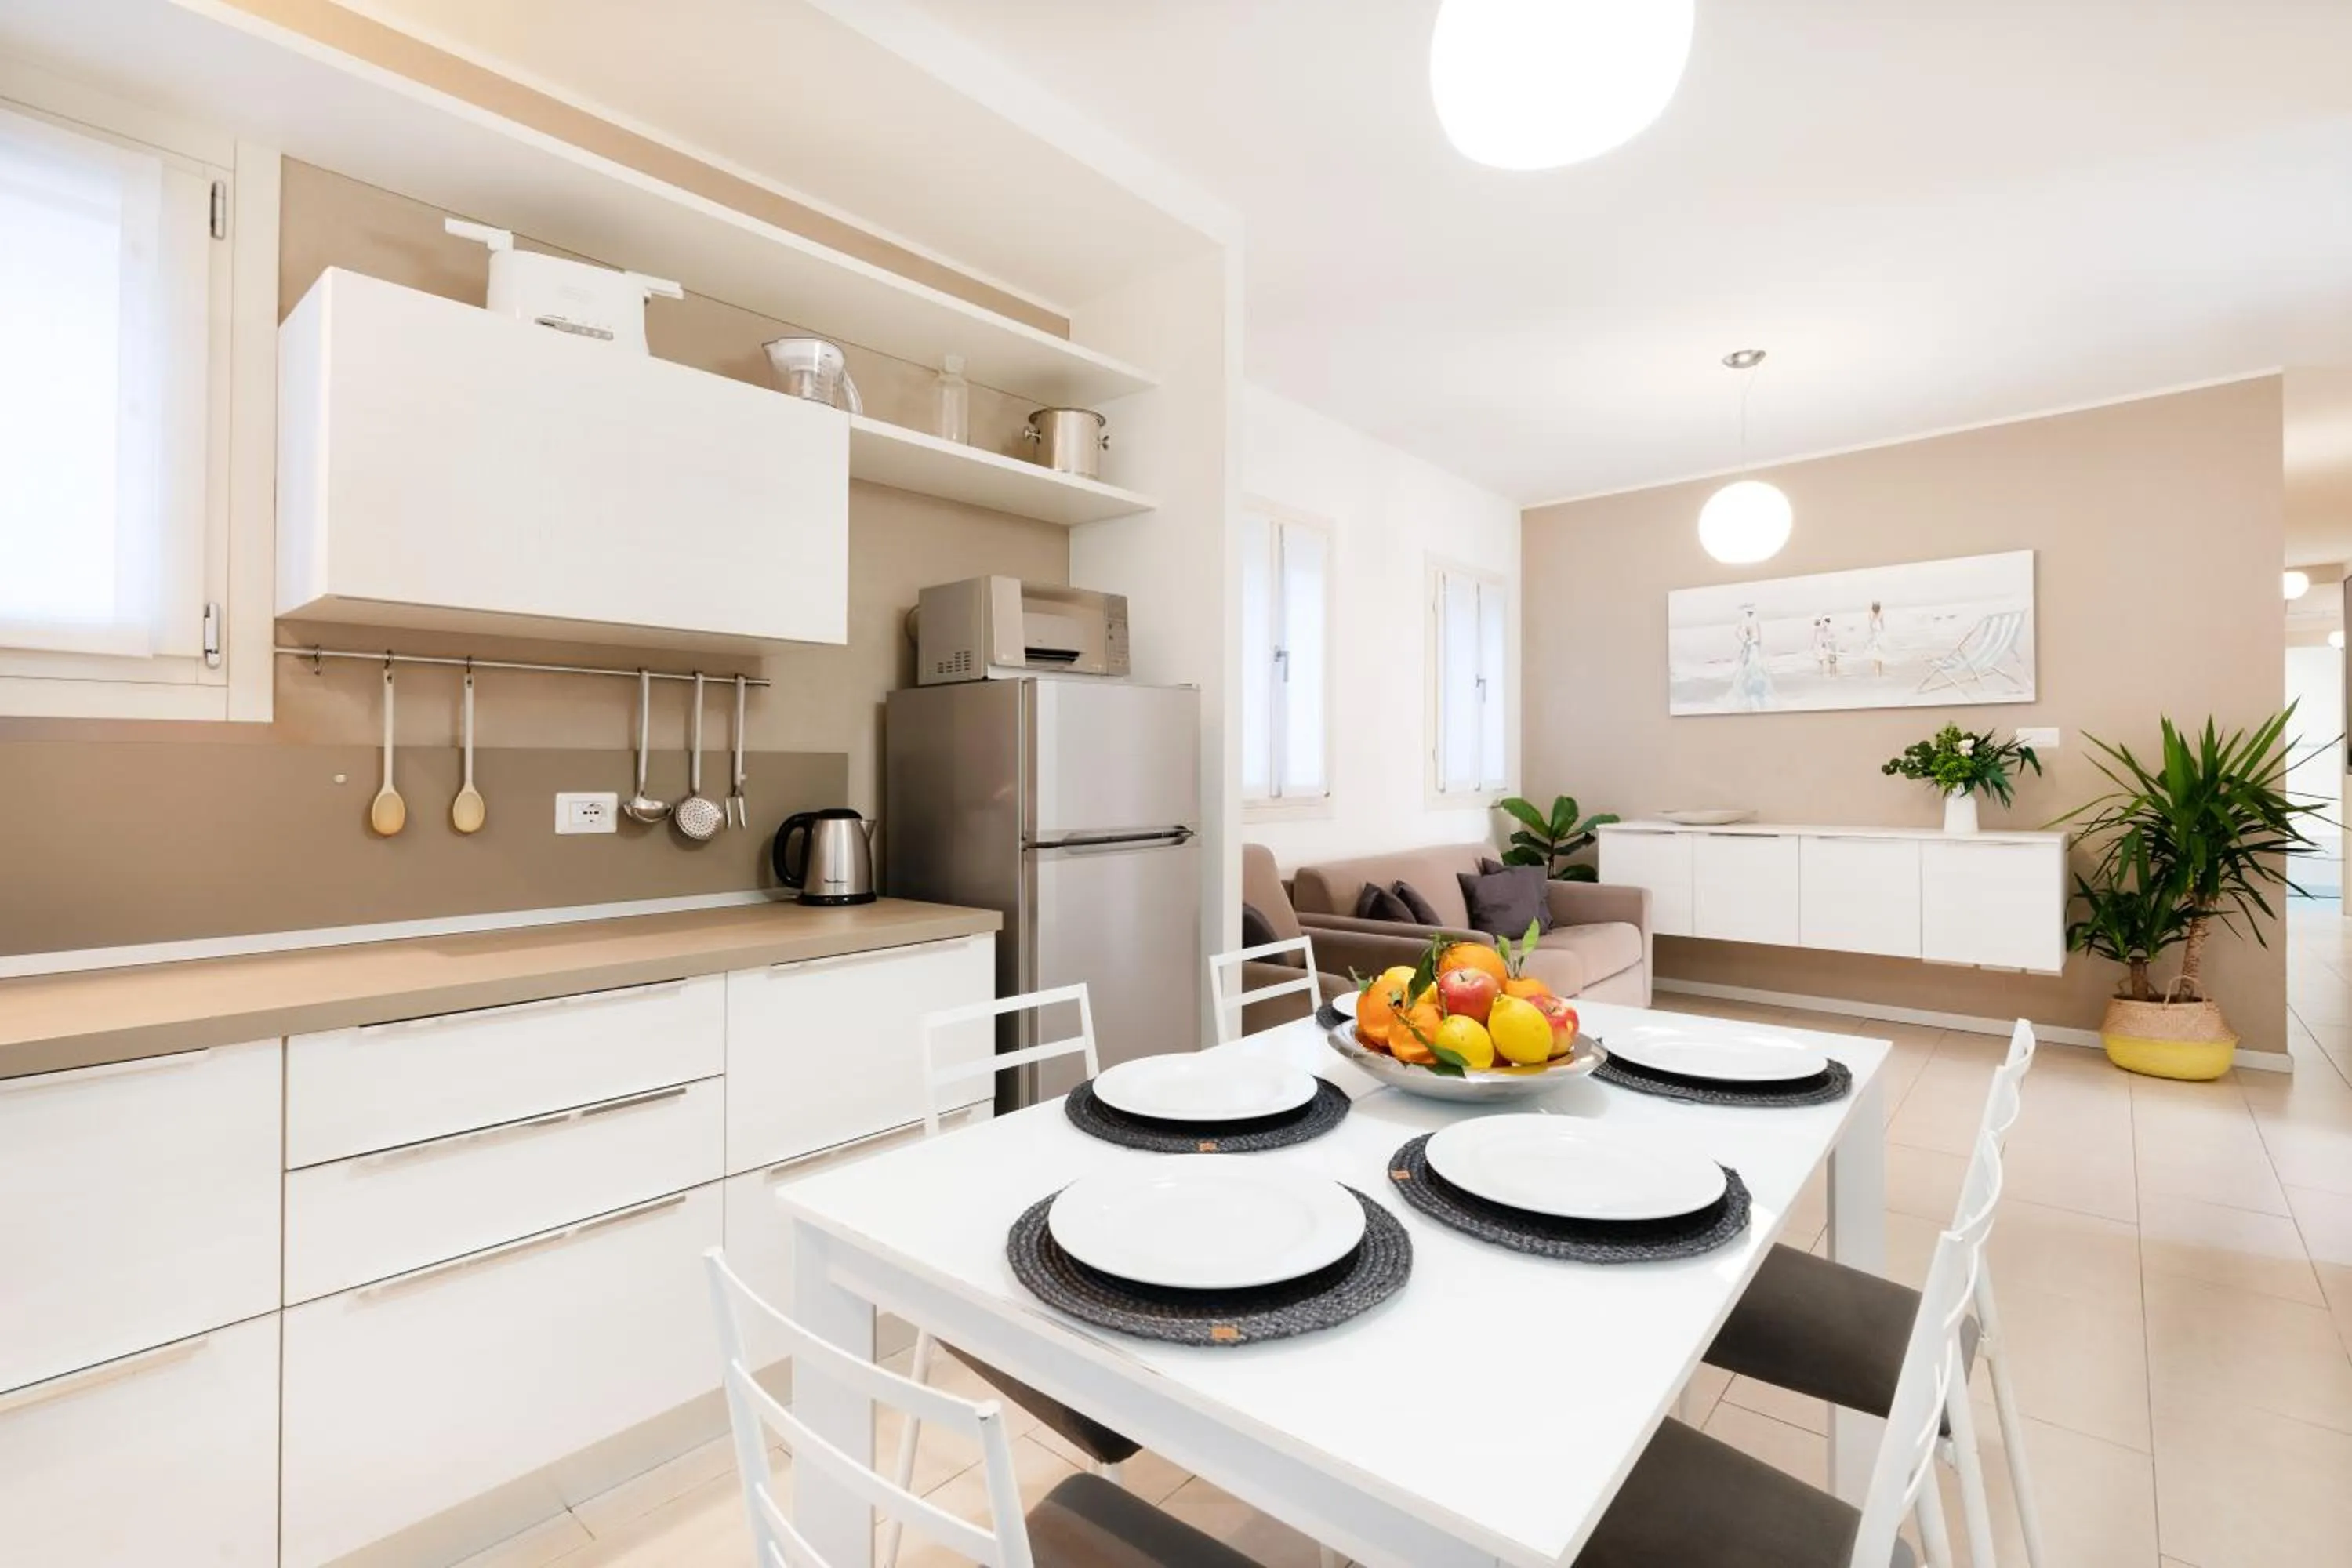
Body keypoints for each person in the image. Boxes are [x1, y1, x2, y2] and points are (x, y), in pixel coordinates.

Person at [1730, 604, 1772, 710]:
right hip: (1751, 647)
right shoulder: (1745, 622)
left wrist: (1751, 642)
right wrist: (1746, 640)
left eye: (1751, 612)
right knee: (1749, 668)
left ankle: (1754, 691)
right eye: (1749, 612)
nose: (1750, 614)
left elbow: (1757, 637)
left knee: (1754, 668)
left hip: (1753, 647)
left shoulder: (1754, 622)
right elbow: (1738, 633)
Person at [1864, 600, 1888, 677]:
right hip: (1876, 636)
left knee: (1878, 654)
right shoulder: (1873, 615)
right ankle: (1878, 671)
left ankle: (1878, 671)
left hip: (1877, 636)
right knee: (1877, 654)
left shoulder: (1876, 615)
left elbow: (1879, 625)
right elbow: (1876, 625)